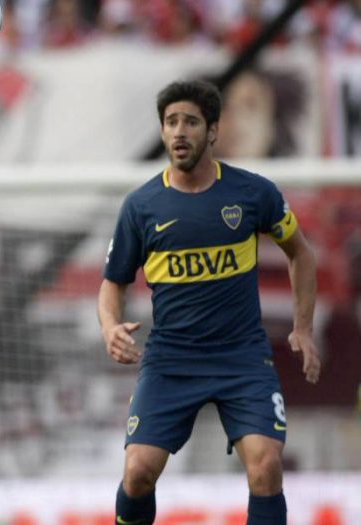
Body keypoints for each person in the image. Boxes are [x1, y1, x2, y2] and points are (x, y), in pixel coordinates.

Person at [98, 79, 320, 525]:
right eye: (171, 122)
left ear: (214, 130)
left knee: (266, 466)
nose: (180, 131)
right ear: (162, 131)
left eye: (191, 122)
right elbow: (113, 282)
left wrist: (303, 327)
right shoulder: (141, 206)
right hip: (171, 361)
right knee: (137, 473)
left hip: (241, 358)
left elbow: (301, 253)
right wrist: (110, 326)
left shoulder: (252, 193)